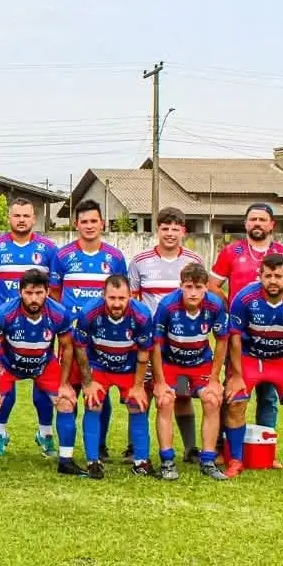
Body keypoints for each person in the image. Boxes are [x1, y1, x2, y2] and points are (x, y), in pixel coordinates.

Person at [209, 203, 283, 433]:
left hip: (274, 335)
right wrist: (230, 306)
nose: (257, 224)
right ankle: (226, 446)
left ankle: (265, 444)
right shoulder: (232, 251)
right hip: (240, 336)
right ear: (246, 224)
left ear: (272, 225)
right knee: (234, 390)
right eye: (253, 219)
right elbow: (212, 285)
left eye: (263, 220)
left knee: (269, 394)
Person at [225, 253, 283, 481]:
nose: (272, 281)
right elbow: (234, 339)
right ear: (260, 276)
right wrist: (236, 375)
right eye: (268, 276)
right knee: (236, 400)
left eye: (278, 276)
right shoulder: (244, 298)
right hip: (250, 356)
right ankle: (236, 460)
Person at [0, 268, 77, 476]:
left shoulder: (59, 313)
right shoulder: (4, 313)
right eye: (29, 293)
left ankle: (66, 460)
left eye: (39, 293)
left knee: (66, 401)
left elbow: (67, 346)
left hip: (43, 364)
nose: (34, 298)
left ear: (47, 292)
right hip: (8, 363)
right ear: (20, 292)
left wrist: (64, 382)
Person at [51, 200, 128, 459]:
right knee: (69, 389)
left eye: (94, 221)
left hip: (103, 337)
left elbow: (122, 294)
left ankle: (100, 445)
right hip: (72, 337)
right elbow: (54, 294)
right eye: (84, 221)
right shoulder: (62, 256)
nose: (89, 226)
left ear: (102, 223)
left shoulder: (115, 257)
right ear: (76, 225)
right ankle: (68, 448)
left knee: (99, 389)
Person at [129, 207, 206, 464]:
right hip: (148, 341)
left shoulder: (193, 260)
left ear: (183, 231)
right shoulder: (140, 261)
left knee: (182, 394)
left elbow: (201, 296)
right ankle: (135, 448)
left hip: (180, 342)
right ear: (157, 230)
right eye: (165, 228)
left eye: (175, 229)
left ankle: (191, 448)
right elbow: (132, 300)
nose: (170, 234)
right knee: (144, 392)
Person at [0, 198, 60, 454]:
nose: (21, 220)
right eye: (16, 215)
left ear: (34, 218)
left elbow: (55, 288)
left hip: (40, 325)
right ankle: (0, 432)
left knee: (44, 380)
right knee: (5, 381)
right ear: (9, 217)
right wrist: (6, 308)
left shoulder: (48, 248)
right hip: (5, 327)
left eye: (26, 215)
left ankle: (45, 432)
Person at [69, 274, 154, 478]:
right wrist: (88, 383)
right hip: (99, 364)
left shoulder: (141, 314)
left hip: (129, 366)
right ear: (103, 295)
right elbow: (79, 349)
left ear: (131, 296)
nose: (116, 303)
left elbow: (144, 353)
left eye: (121, 298)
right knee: (93, 402)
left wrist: (138, 385)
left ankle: (141, 461)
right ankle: (93, 461)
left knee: (137, 404)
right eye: (112, 298)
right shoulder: (89, 313)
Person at [151, 262, 229, 481]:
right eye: (188, 287)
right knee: (165, 401)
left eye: (198, 287)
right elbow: (155, 344)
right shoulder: (167, 305)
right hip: (171, 363)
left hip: (199, 363)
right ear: (180, 286)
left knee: (212, 400)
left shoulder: (214, 305)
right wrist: (159, 381)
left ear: (206, 287)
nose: (193, 293)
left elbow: (222, 341)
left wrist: (214, 379)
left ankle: (207, 460)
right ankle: (167, 461)